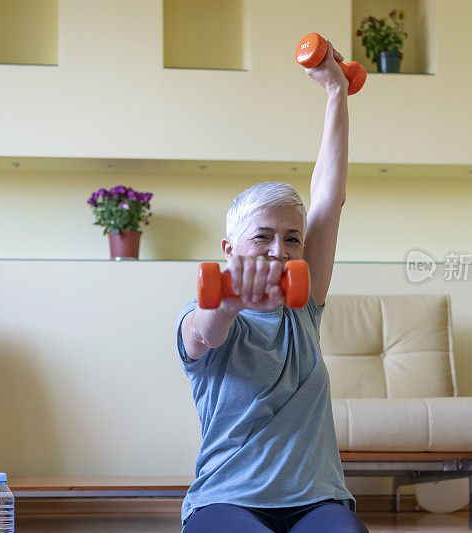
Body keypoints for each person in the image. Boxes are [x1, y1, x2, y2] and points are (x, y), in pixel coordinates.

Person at [175, 39, 366, 533]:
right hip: (226, 498)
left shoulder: (305, 310)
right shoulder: (206, 315)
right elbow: (205, 332)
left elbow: (329, 196)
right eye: (262, 237)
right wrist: (231, 300)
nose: (280, 251)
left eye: (292, 239)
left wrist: (335, 93)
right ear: (229, 248)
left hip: (316, 501)